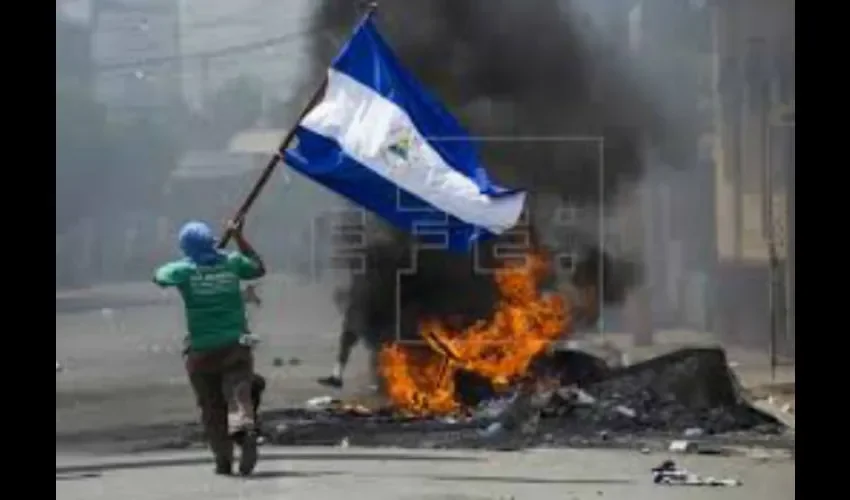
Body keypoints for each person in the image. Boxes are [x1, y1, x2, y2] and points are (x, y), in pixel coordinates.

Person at [153, 219, 266, 476]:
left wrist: (193, 264)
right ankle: (244, 430)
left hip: (201, 351)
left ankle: (223, 460)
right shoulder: (233, 263)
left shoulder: (184, 270)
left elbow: (159, 277)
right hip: (236, 345)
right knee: (239, 394)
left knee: (211, 406)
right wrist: (238, 237)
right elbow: (258, 268)